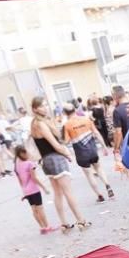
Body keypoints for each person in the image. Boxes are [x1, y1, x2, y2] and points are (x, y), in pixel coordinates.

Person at [30, 96, 91, 232]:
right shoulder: (41, 124)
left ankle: (65, 223)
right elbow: (55, 144)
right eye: (41, 105)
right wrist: (68, 154)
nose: (45, 107)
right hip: (55, 159)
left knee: (58, 193)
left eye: (45, 104)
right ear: (35, 109)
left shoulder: (35, 124)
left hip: (47, 160)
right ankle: (81, 221)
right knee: (68, 191)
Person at [61, 102, 113, 203]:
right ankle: (107, 185)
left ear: (65, 113)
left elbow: (66, 142)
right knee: (99, 168)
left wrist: (65, 152)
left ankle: (100, 195)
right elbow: (96, 133)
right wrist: (104, 147)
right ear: (75, 110)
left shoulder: (67, 125)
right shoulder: (86, 119)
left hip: (81, 154)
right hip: (93, 150)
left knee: (89, 175)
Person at [13, 145, 56, 235]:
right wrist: (44, 188)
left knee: (34, 210)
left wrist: (24, 192)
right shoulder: (29, 164)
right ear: (22, 153)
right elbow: (34, 178)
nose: (28, 153)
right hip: (34, 189)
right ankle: (48, 226)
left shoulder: (16, 166)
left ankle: (42, 227)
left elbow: (20, 181)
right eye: (26, 152)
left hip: (26, 190)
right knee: (40, 209)